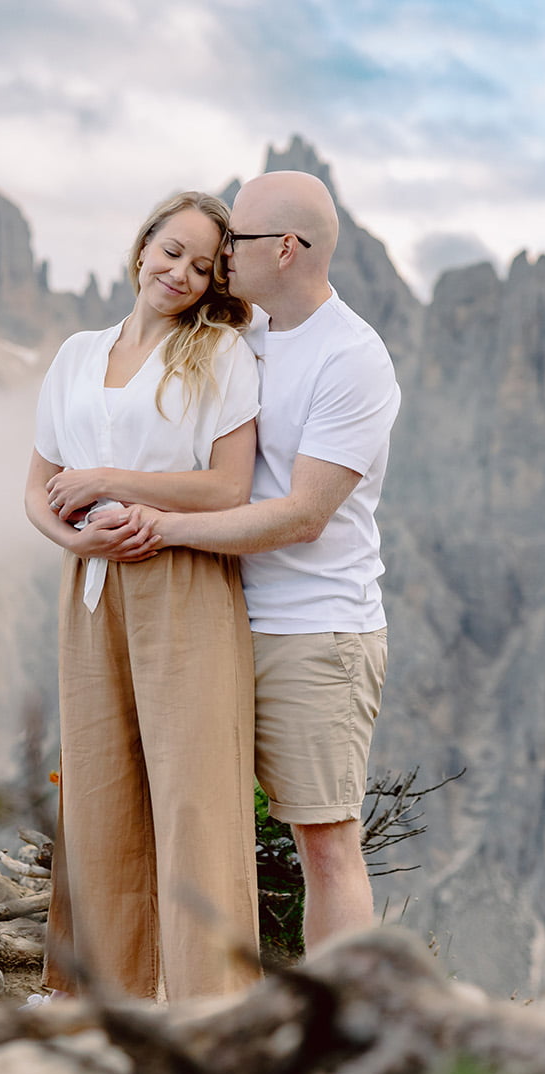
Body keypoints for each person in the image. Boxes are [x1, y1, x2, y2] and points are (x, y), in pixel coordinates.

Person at [105, 170, 401, 953]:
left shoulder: (354, 359)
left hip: (314, 633)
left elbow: (303, 516)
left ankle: (345, 1029)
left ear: (288, 248)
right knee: (199, 826)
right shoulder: (248, 336)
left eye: (234, 239)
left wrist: (163, 529)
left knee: (325, 845)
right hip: (224, 618)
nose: (221, 252)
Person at [25, 190, 264, 1000]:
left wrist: (112, 484)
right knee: (98, 798)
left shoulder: (220, 354)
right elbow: (37, 487)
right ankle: (103, 1004)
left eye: (203, 266)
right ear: (141, 249)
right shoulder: (77, 355)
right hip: (89, 587)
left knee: (196, 799)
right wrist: (75, 536)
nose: (181, 274)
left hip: (184, 580)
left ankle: (212, 1010)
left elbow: (229, 488)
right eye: (172, 252)